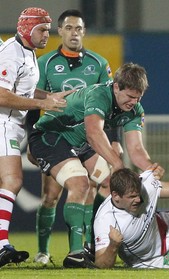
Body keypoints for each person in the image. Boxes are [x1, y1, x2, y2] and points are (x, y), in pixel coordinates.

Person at [28, 62, 164, 268]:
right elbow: (93, 133)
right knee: (80, 184)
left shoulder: (134, 109)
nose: (134, 102)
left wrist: (151, 168)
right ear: (116, 87)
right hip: (50, 136)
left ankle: (92, 245)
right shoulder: (99, 94)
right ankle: (75, 253)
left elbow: (136, 150)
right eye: (130, 96)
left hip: (79, 143)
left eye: (138, 97)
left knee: (110, 184)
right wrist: (117, 163)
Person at [25, 9, 119, 266]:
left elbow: (110, 104)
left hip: (88, 137)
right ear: (60, 30)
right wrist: (31, 141)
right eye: (69, 28)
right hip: (56, 135)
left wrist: (114, 140)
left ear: (84, 32)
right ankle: (43, 251)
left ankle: (83, 246)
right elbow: (34, 103)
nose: (74, 33)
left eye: (78, 28)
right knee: (51, 195)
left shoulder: (98, 63)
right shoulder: (44, 63)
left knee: (94, 187)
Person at [0, 7, 71, 268]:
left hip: (11, 123)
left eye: (47, 29)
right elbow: (2, 95)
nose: (46, 35)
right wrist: (41, 105)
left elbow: (25, 88)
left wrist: (47, 97)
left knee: (6, 183)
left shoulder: (28, 52)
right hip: (3, 122)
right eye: (41, 29)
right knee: (13, 179)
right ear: (26, 29)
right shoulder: (10, 52)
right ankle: (1, 245)